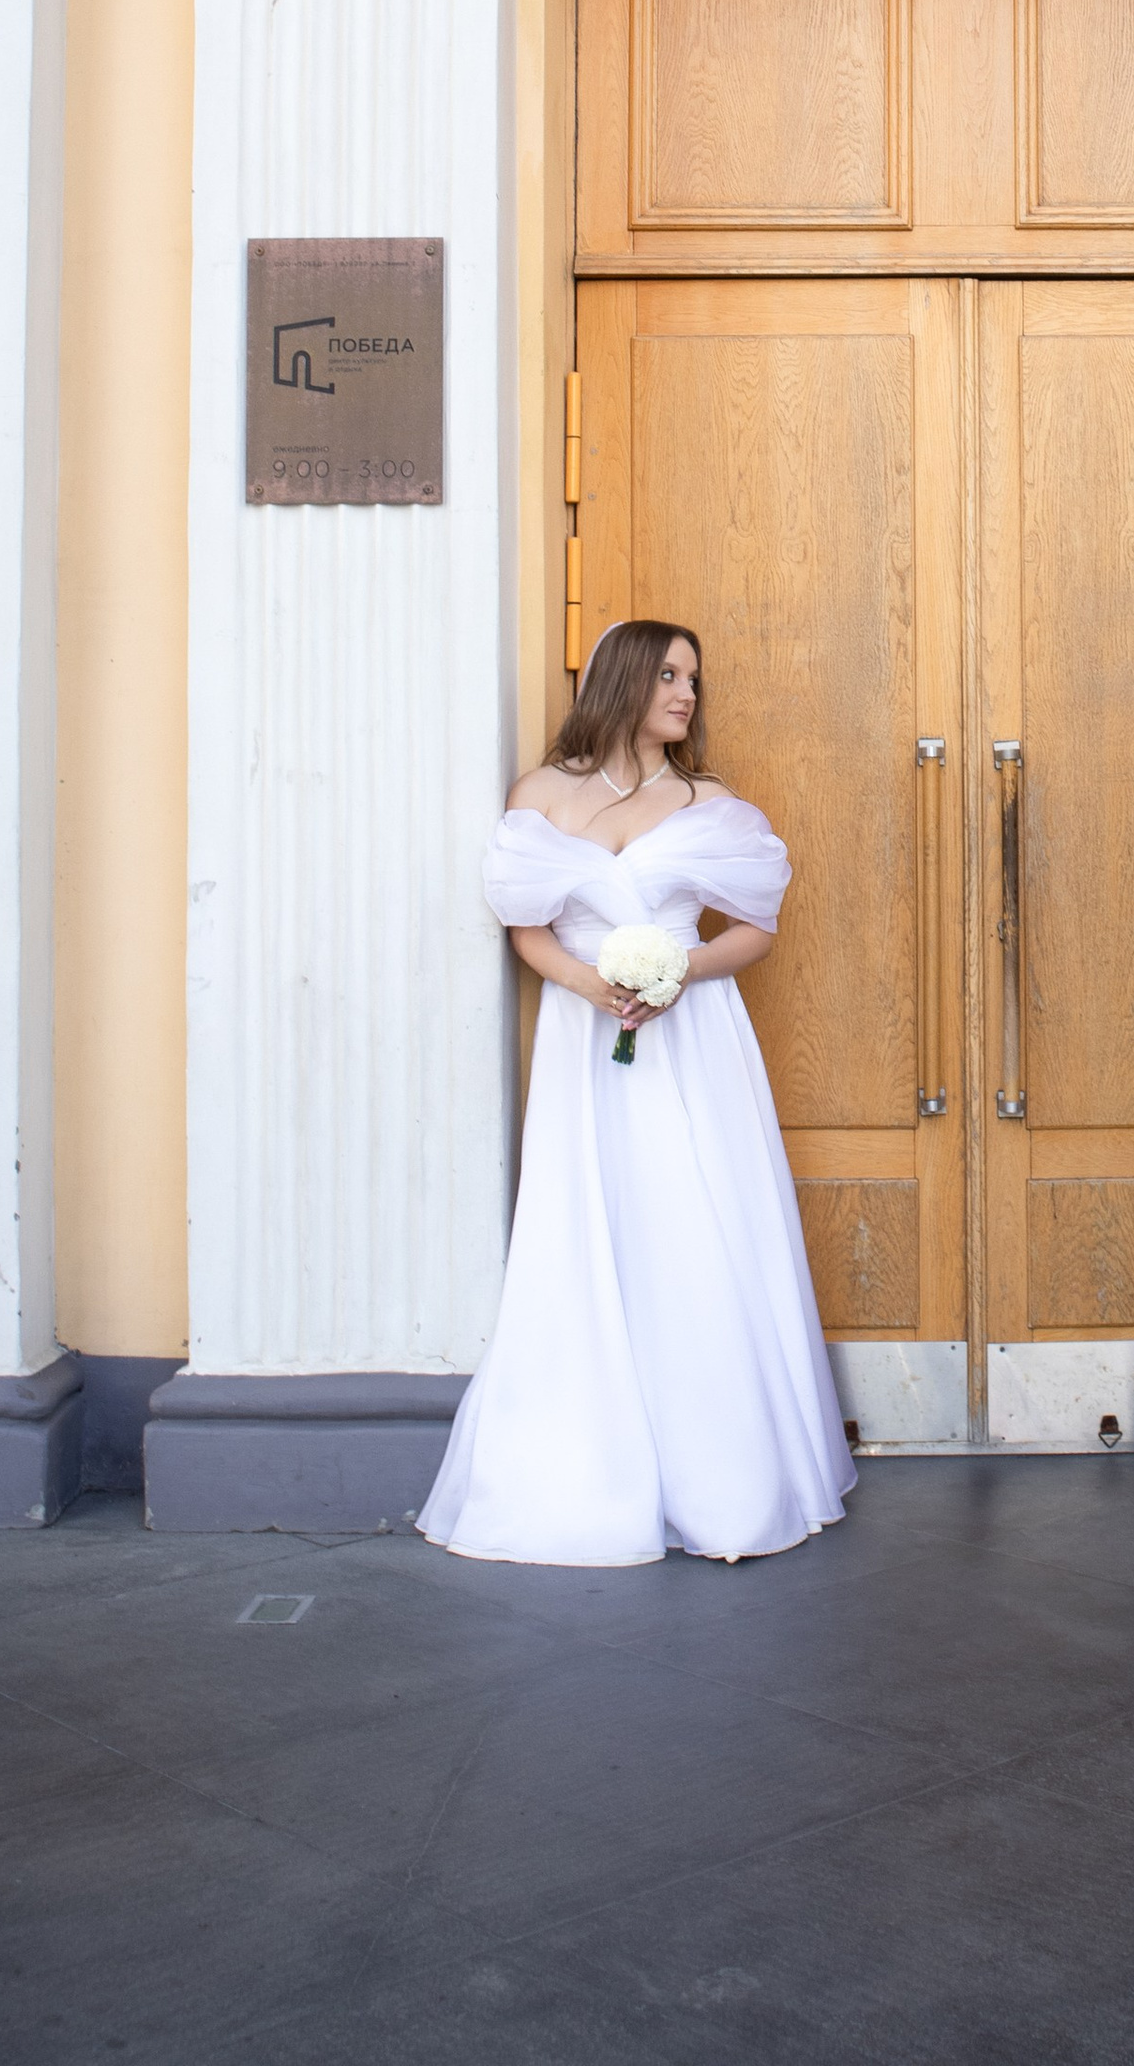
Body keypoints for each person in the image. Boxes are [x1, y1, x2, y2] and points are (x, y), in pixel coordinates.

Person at [419, 617, 856, 1567]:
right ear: (620, 679)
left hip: (691, 1037)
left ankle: (726, 1471)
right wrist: (589, 985)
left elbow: (756, 931)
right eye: (667, 675)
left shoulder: (709, 802)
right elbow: (527, 928)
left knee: (694, 1216)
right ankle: (585, 1461)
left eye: (692, 678)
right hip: (585, 1040)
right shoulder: (541, 793)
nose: (686, 694)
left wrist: (678, 974)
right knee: (591, 1220)